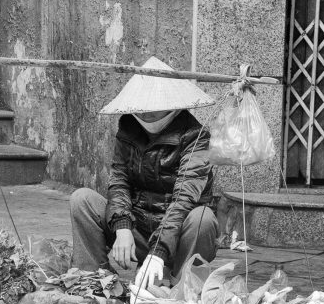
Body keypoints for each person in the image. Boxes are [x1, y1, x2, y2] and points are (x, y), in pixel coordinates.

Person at [70, 56, 220, 288]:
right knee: (82, 200)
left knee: (203, 218)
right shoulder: (129, 127)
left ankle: (184, 286)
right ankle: (92, 280)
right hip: (138, 230)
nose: (147, 113)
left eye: (156, 106)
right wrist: (122, 227)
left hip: (177, 236)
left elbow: (184, 200)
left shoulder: (196, 136)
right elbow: (119, 181)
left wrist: (160, 250)